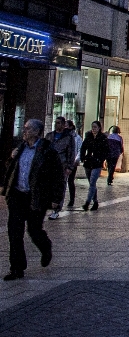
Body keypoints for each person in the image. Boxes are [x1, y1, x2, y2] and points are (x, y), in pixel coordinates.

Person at [1, 118, 63, 280]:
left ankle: (45, 247)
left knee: (34, 230)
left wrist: (56, 199)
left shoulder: (47, 150)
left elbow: (57, 176)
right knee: (14, 232)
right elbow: (11, 169)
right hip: (17, 195)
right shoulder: (20, 148)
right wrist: (10, 158)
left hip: (36, 197)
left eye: (27, 129)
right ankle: (17, 268)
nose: (24, 131)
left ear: (36, 132)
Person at [43, 116, 77, 220]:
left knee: (60, 187)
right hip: (49, 166)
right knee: (48, 186)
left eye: (58, 123)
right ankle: (48, 206)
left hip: (62, 165)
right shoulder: (49, 136)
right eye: (55, 122)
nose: (56, 124)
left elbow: (71, 153)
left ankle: (56, 209)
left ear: (63, 125)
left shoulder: (68, 137)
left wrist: (70, 167)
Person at [79, 120, 109, 211]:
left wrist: (101, 159)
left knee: (92, 182)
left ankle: (87, 202)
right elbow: (83, 147)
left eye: (95, 127)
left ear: (99, 128)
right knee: (92, 183)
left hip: (97, 163)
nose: (93, 129)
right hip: (88, 162)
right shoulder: (89, 137)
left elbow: (106, 151)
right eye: (92, 127)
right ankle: (95, 201)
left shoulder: (103, 138)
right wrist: (83, 157)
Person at [63, 120, 80, 208]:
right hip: (63, 162)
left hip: (72, 162)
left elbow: (80, 149)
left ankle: (71, 199)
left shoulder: (76, 137)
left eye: (66, 126)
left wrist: (77, 159)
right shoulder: (63, 137)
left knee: (70, 181)